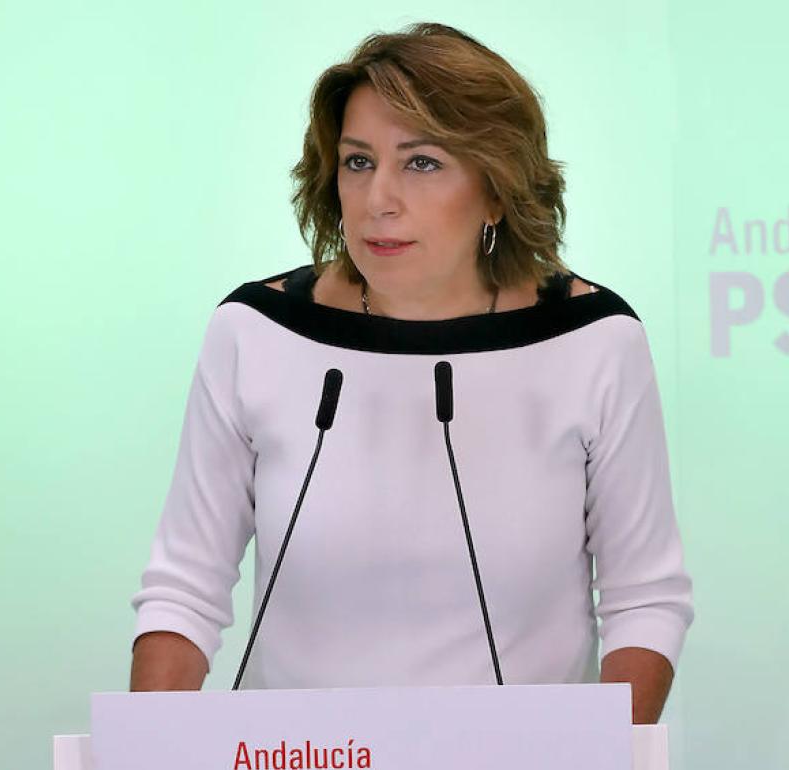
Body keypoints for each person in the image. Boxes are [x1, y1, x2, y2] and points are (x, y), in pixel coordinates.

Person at [128, 22, 693, 724]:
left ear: (496, 189)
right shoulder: (256, 331)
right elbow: (184, 588)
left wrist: (600, 753)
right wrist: (148, 748)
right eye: (358, 162)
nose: (379, 199)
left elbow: (644, 599)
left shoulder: (594, 341)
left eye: (422, 162)